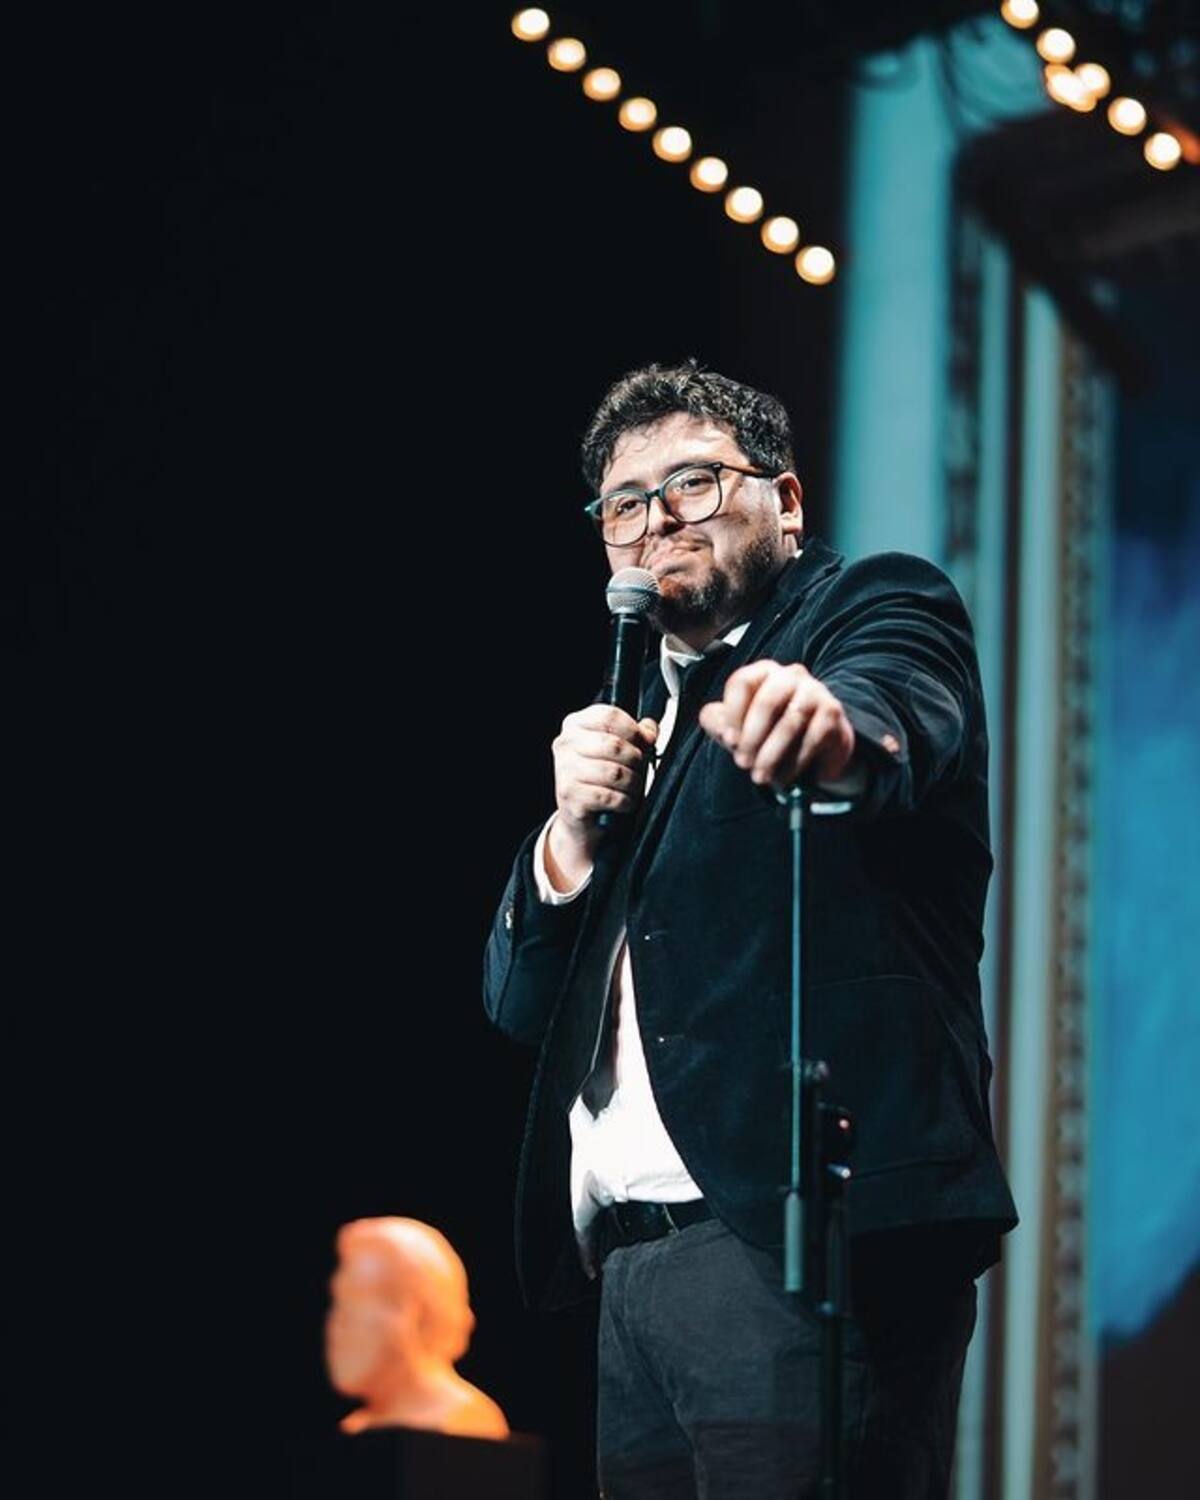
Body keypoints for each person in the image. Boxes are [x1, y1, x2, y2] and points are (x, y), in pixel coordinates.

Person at [482, 361, 1017, 1497]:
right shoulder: (632, 721)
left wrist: (830, 735)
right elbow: (518, 1004)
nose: (658, 521)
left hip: (798, 1243)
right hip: (633, 1275)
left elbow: (894, 708)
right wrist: (569, 839)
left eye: (694, 482)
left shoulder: (867, 607)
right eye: (625, 504)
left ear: (787, 499)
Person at [324, 1216, 510, 1440]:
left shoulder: (466, 1419)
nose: (338, 1322)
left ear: (418, 1314)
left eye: (360, 1298)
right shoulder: (358, 1427)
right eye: (340, 1302)